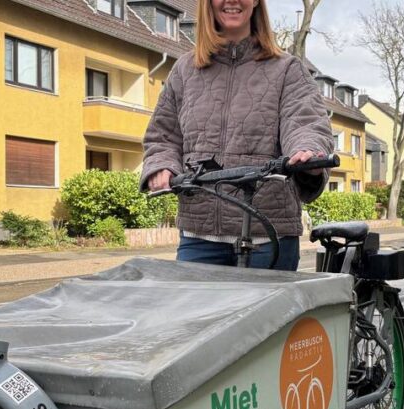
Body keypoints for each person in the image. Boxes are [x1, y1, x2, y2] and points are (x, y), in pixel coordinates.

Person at [140, 0, 334, 271]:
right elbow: (163, 134)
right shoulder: (184, 70)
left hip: (269, 236)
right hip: (200, 236)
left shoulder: (287, 69)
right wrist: (161, 165)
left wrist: (307, 151)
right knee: (195, 314)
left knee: (272, 315)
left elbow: (305, 122)